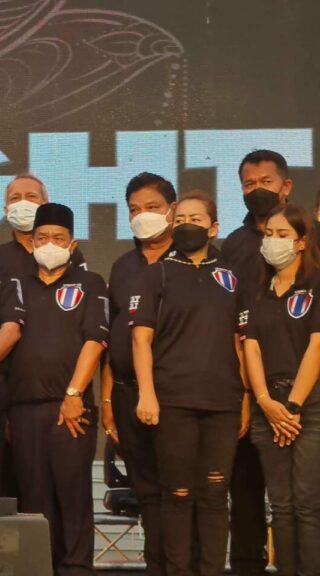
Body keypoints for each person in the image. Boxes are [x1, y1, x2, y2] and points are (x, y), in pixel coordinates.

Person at [131, 192, 249, 576]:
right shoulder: (157, 274)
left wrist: (246, 396)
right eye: (179, 219)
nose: (186, 225)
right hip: (172, 401)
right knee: (178, 495)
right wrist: (147, 393)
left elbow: (241, 341)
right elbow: (141, 339)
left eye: (195, 219)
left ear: (214, 228)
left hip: (224, 402)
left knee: (215, 494)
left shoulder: (232, 276)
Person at [0, 203, 106, 576]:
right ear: (32, 243)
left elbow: (95, 341)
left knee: (72, 498)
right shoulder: (17, 284)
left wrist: (74, 395)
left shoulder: (90, 283)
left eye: (58, 238)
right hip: (24, 410)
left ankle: (76, 569)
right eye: (42, 238)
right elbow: (9, 332)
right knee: (34, 501)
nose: (49, 244)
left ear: (72, 245)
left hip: (70, 409)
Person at [0, 173, 87, 498]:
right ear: (5, 209)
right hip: (4, 385)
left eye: (31, 197)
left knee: (56, 489)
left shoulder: (69, 257)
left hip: (54, 389)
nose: (23, 204)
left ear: (45, 203)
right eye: (15, 198)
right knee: (8, 483)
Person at [99, 172, 175, 576]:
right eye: (134, 210)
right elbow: (113, 338)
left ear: (172, 210)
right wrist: (107, 399)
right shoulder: (123, 265)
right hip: (127, 395)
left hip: (175, 395)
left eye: (152, 207)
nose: (142, 216)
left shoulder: (190, 261)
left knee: (177, 492)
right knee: (146, 493)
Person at [222, 149, 290, 576]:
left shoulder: (310, 236)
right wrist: (248, 390)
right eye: (249, 184)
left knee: (298, 498)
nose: (257, 190)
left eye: (266, 182)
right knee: (245, 493)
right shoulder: (233, 244)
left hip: (300, 385)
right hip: (246, 385)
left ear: (286, 187)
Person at [242, 203, 320, 576]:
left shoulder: (316, 284)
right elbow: (251, 347)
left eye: (283, 235)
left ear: (301, 242)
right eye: (268, 234)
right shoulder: (259, 290)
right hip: (267, 407)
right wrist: (264, 401)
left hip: (308, 408)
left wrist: (292, 406)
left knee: (307, 504)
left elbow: (317, 348)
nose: (273, 241)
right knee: (281, 505)